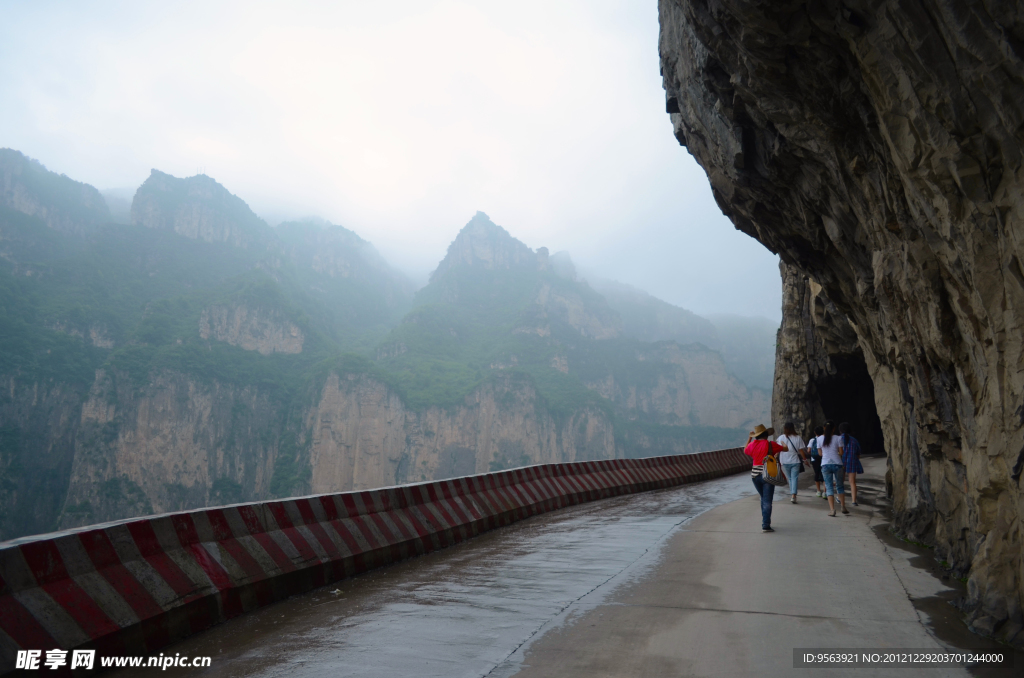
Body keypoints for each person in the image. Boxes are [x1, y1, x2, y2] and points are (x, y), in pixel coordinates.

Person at [744, 424, 788, 533]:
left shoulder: (752, 445)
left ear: (756, 436)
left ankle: (765, 520)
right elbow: (786, 449)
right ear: (766, 435)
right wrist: (782, 443)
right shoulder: (770, 444)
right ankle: (766, 525)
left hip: (755, 475)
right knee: (767, 500)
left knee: (763, 498)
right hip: (767, 474)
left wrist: (749, 437)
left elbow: (745, 450)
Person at [817, 420, 848, 517]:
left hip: (825, 464)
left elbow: (820, 454)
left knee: (829, 487)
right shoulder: (838, 438)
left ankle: (832, 510)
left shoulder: (819, 439)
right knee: (840, 486)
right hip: (837, 464)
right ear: (834, 428)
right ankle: (843, 506)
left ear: (824, 428)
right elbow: (841, 453)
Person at [776, 422, 807, 503]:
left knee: (789, 478)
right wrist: (805, 460)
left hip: (785, 461)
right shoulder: (797, 438)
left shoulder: (781, 438)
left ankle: (792, 494)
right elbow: (801, 451)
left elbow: (778, 450)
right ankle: (793, 495)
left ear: (785, 428)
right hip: (795, 461)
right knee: (794, 478)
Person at [839, 422, 865, 505]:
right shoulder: (854, 440)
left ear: (840, 430)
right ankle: (854, 501)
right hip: (852, 462)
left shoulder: (838, 439)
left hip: (840, 462)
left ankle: (840, 498)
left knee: (840, 481)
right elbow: (858, 453)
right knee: (852, 482)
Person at [807, 426, 825, 497]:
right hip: (823, 459)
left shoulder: (812, 440)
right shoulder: (824, 439)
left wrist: (813, 454)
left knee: (817, 474)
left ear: (815, 432)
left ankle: (818, 491)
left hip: (814, 460)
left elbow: (808, 450)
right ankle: (825, 492)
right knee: (824, 474)